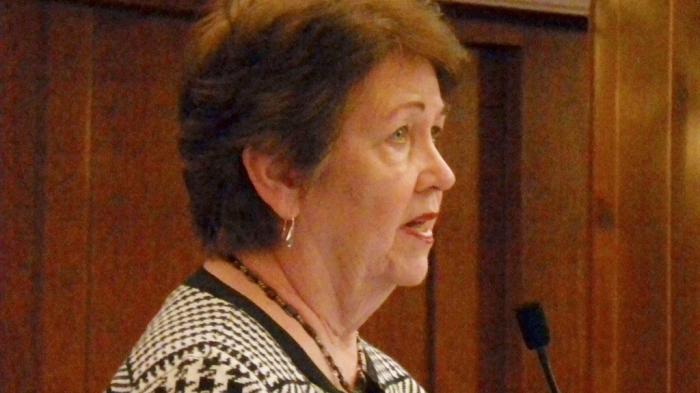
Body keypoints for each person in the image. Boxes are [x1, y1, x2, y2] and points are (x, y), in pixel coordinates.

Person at [106, 0, 466, 392]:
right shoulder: (210, 377)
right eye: (400, 134)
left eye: (435, 132)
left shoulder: (390, 381)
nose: (442, 176)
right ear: (282, 175)